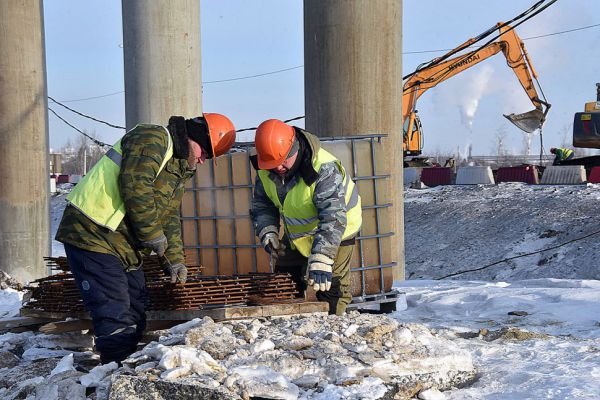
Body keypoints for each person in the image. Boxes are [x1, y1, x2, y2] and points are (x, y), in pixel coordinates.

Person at [55, 113, 236, 364]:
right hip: (91, 232)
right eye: (205, 153)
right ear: (194, 138)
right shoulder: (152, 138)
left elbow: (168, 215)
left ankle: (127, 367)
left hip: (121, 243)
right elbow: (135, 187)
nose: (204, 161)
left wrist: (173, 260)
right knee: (115, 311)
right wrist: (152, 235)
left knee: (136, 309)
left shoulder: (178, 166)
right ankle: (114, 371)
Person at [250, 119, 362, 316]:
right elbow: (263, 205)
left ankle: (334, 331)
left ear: (294, 148)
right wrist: (268, 230)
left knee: (329, 286)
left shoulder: (324, 169)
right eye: (274, 164)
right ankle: (288, 329)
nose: (279, 168)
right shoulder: (267, 168)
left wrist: (322, 256)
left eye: (283, 161)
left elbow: (333, 216)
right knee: (284, 283)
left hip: (337, 231)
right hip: (298, 234)